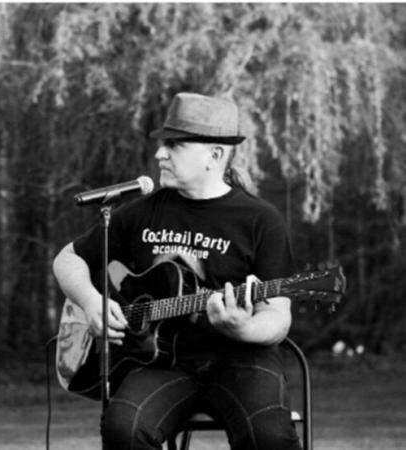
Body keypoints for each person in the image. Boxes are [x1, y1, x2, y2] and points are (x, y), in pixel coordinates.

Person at [52, 92, 302, 450]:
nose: (159, 154)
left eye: (174, 145)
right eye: (161, 145)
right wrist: (91, 301)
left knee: (269, 438)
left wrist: (243, 327)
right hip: (160, 362)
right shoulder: (141, 211)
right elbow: (67, 258)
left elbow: (278, 319)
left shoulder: (261, 221)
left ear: (214, 155)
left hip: (242, 360)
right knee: (125, 430)